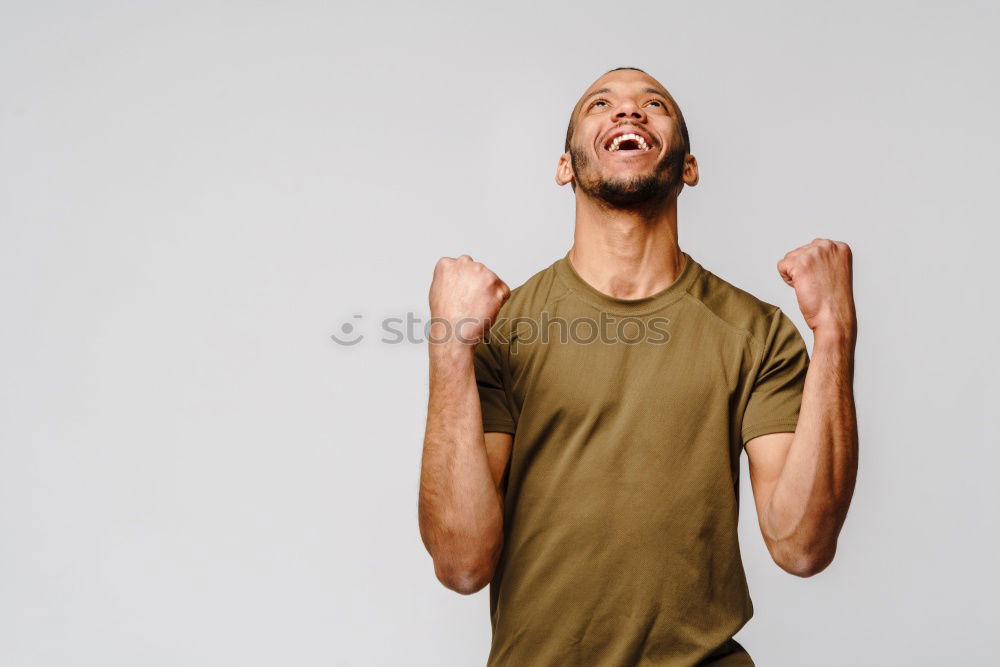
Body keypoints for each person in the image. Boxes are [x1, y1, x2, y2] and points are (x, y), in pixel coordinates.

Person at [417, 66, 859, 666]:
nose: (628, 113)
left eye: (654, 105)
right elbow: (462, 564)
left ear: (689, 167)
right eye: (600, 104)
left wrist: (835, 332)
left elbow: (802, 545)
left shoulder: (757, 333)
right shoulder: (501, 331)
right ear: (565, 166)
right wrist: (449, 346)